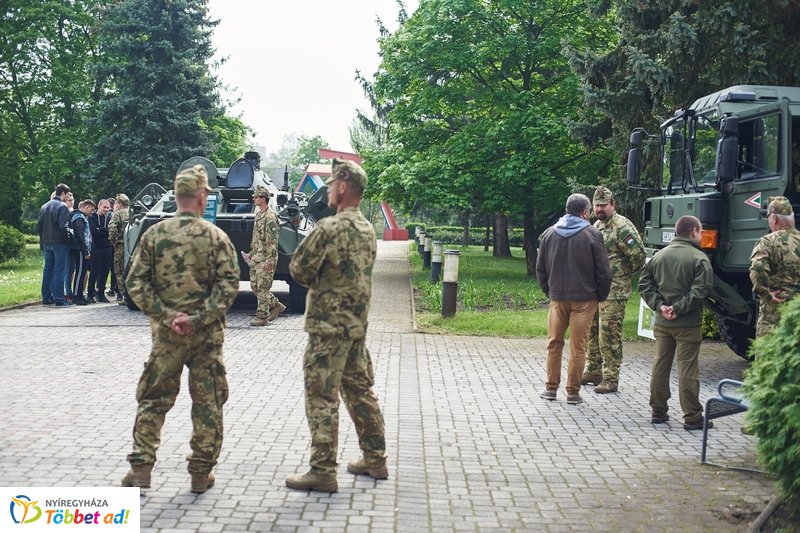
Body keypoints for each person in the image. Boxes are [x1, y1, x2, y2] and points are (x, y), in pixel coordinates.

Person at [121, 165, 239, 493]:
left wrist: (167, 315)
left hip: (166, 337)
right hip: (206, 339)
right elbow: (228, 287)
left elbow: (135, 282)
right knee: (208, 403)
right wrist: (197, 319)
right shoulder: (217, 238)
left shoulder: (155, 235)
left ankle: (141, 469)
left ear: (176, 196)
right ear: (202, 198)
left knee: (153, 399)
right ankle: (201, 475)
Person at [285, 158, 387, 493]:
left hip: (327, 330)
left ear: (342, 187)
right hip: (356, 328)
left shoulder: (329, 229)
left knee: (321, 397)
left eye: (330, 184)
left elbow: (298, 269)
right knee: (360, 392)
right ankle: (375, 459)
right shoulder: (367, 230)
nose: (328, 189)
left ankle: (322, 470)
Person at [638, 215, 713, 430]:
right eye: (700, 231)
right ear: (693, 232)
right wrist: (678, 308)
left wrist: (661, 306)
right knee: (688, 368)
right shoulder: (699, 258)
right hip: (687, 323)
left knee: (660, 365)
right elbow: (701, 291)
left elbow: (644, 284)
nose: (701, 235)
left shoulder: (659, 256)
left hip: (663, 322)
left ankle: (657, 411)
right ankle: (692, 417)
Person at [536, 193, 612, 404]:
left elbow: (540, 269)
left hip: (558, 298)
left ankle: (550, 388)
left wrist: (550, 292)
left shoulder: (549, 234)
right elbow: (604, 272)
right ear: (585, 212)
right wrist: (600, 296)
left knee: (554, 343)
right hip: (585, 300)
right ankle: (572, 392)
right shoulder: (593, 235)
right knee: (579, 347)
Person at [582, 186, 645, 393]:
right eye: (597, 205)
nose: (600, 209)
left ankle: (611, 378)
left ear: (612, 205)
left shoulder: (621, 226)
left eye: (603, 205)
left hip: (615, 291)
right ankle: (593, 370)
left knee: (609, 334)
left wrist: (621, 274)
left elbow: (638, 255)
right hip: (596, 290)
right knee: (592, 331)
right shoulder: (597, 225)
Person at [749, 196, 800, 337]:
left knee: (769, 355)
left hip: (775, 314)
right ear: (792, 219)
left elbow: (758, 269)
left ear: (774, 219)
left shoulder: (767, 241)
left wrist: (765, 293)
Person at [243, 185, 285, 326]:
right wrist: (251, 253)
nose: (253, 198)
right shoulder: (259, 215)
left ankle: (262, 317)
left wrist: (269, 261)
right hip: (256, 257)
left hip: (265, 259)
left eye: (256, 196)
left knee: (263, 288)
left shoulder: (270, 217)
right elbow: (258, 239)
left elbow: (272, 242)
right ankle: (276, 305)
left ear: (263, 198)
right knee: (255, 286)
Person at [37, 183, 72, 307]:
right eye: (67, 194)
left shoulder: (44, 206)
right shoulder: (62, 206)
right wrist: (68, 240)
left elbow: (39, 227)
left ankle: (46, 297)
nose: (67, 197)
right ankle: (59, 299)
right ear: (63, 193)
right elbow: (63, 227)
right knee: (59, 271)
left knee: (48, 270)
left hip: (47, 243)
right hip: (59, 243)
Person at [67, 199, 95, 305]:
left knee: (83, 272)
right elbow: (80, 235)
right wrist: (85, 251)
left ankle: (80, 295)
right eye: (91, 210)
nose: (92, 212)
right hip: (79, 249)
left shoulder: (82, 217)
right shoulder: (78, 217)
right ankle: (76, 296)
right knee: (79, 273)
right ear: (86, 207)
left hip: (82, 249)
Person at [88, 199, 113, 303]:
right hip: (96, 248)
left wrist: (101, 230)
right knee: (94, 271)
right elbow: (94, 231)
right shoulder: (92, 217)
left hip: (107, 248)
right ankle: (90, 294)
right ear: (99, 206)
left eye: (108, 208)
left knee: (104, 272)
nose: (106, 210)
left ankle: (101, 294)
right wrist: (104, 230)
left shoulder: (110, 218)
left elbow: (111, 231)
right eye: (104, 207)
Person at [109, 193, 130, 303]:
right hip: (132, 245)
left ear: (120, 203)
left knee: (119, 270)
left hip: (121, 244)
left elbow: (112, 227)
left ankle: (124, 295)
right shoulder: (134, 212)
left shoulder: (118, 213)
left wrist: (113, 240)